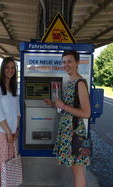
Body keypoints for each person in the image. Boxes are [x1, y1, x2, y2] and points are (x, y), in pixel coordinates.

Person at [44, 51, 91, 187]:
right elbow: (69, 107)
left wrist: (63, 105)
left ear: (77, 63)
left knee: (77, 169)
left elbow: (86, 113)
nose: (66, 65)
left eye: (69, 61)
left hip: (75, 132)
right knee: (75, 168)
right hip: (67, 131)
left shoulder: (80, 83)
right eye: (64, 62)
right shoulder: (70, 82)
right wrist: (54, 104)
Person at [0, 57, 21, 187]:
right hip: (1, 132)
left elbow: (17, 111)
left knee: (9, 164)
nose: (10, 70)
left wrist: (16, 130)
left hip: (12, 133)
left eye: (13, 68)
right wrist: (8, 131)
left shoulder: (13, 88)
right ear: (2, 69)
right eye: (7, 67)